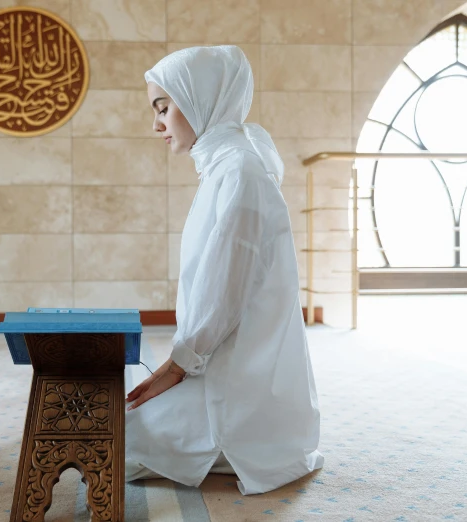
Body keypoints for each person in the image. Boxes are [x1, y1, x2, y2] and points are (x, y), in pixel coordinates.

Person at [123, 45, 324, 496]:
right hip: (217, 363)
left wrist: (177, 366)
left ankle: (229, 445)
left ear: (201, 100)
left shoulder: (239, 172)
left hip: (236, 384)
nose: (156, 124)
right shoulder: (225, 166)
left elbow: (224, 294)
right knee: (112, 417)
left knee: (114, 439)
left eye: (163, 107)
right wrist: (178, 363)